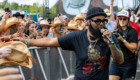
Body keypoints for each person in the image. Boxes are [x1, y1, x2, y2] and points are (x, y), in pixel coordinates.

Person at [13, 7, 124, 80]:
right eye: (97, 21)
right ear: (89, 21)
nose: (101, 24)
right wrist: (27, 41)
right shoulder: (78, 36)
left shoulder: (110, 37)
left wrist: (111, 44)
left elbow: (120, 60)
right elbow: (51, 41)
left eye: (103, 21)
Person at [109, 10, 138, 80]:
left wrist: (122, 40)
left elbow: (134, 49)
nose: (122, 20)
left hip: (129, 64)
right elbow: (113, 45)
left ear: (128, 20)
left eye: (124, 19)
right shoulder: (116, 30)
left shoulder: (132, 31)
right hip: (116, 63)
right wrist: (110, 38)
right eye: (120, 18)